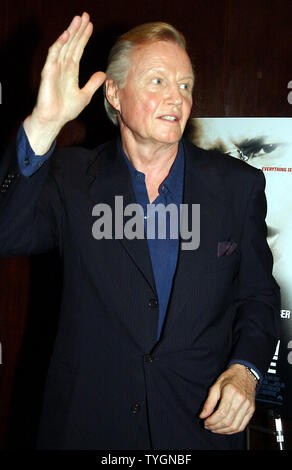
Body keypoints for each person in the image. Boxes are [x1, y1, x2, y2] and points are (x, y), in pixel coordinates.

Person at [0, 12, 280, 450]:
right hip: (89, 427)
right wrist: (44, 125)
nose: (177, 97)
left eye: (185, 85)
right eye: (157, 81)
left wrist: (245, 371)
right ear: (114, 92)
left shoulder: (236, 187)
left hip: (198, 429)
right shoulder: (71, 179)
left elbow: (259, 297)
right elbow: (7, 234)